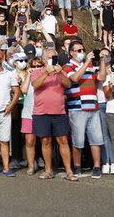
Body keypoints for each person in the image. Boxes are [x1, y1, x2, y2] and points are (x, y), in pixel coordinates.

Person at [30, 51, 77, 181]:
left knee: (63, 140)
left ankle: (68, 171)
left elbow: (68, 84)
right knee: (46, 141)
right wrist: (46, 73)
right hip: (41, 112)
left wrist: (59, 72)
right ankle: (48, 170)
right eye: (49, 58)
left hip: (59, 111)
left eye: (53, 57)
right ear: (44, 59)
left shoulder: (62, 72)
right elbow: (35, 85)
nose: (51, 60)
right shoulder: (37, 72)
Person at [63, 42, 104, 178]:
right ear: (71, 53)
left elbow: (101, 77)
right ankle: (77, 166)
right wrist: (86, 63)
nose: (81, 51)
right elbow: (75, 78)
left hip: (93, 106)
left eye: (83, 49)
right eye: (78, 50)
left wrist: (102, 60)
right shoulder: (68, 66)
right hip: (77, 107)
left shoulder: (91, 65)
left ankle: (97, 166)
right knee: (78, 140)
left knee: (96, 139)